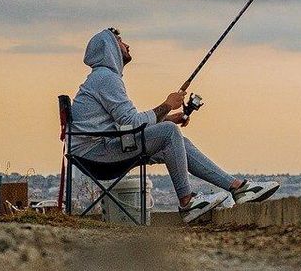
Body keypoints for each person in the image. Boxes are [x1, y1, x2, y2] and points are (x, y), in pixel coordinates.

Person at [69, 27, 278, 222]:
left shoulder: (103, 78)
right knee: (169, 134)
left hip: (100, 150)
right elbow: (132, 123)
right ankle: (187, 203)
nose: (127, 45)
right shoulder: (107, 79)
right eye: (121, 41)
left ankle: (237, 188)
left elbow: (125, 125)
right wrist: (167, 106)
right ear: (110, 48)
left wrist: (168, 117)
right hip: (96, 156)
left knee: (177, 140)